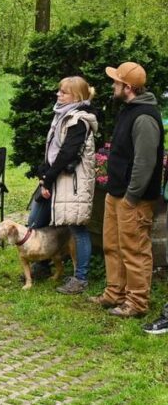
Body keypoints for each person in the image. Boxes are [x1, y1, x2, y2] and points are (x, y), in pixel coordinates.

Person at [89, 62, 164, 318]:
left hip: (134, 199)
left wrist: (132, 196)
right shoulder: (129, 110)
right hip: (116, 193)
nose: (113, 85)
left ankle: (137, 303)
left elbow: (145, 162)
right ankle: (114, 293)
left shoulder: (144, 118)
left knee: (134, 251)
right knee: (112, 245)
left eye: (116, 82)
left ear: (128, 87)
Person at [26, 77, 99, 294]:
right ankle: (42, 264)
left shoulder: (79, 119)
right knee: (36, 221)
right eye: (59, 91)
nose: (58, 95)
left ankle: (80, 278)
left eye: (64, 92)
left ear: (76, 97)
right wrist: (43, 173)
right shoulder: (61, 115)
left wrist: (47, 178)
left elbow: (67, 153)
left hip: (71, 183)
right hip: (54, 179)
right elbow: (52, 150)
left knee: (77, 228)